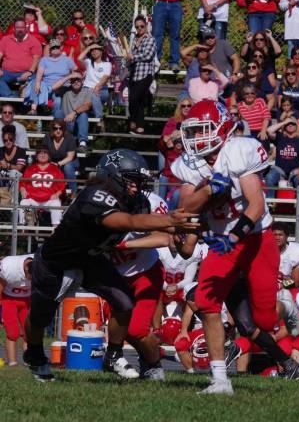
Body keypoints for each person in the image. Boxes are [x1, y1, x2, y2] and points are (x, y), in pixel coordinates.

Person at [23, 148, 199, 382]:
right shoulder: (94, 195)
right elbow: (127, 222)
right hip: (56, 262)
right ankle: (35, 355)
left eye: (139, 181)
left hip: (90, 260)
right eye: (132, 180)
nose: (137, 187)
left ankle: (113, 353)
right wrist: (169, 220)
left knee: (124, 302)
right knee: (40, 317)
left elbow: (158, 228)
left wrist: (188, 225)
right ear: (112, 175)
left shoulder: (138, 202)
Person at [172, 100, 299, 394]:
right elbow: (186, 205)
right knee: (205, 302)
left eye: (202, 130)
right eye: (193, 132)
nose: (196, 139)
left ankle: (288, 308)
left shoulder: (238, 149)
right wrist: (208, 190)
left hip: (255, 240)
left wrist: (233, 236)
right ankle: (220, 380)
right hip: (222, 244)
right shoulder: (189, 163)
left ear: (221, 126)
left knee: (264, 319)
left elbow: (255, 206)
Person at [107, 191, 171, 380]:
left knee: (136, 329)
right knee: (122, 330)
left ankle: (154, 365)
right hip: (114, 276)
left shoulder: (150, 201)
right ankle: (138, 358)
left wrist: (123, 245)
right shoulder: (94, 203)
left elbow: (164, 237)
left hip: (146, 271)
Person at [152, 238, 207, 332]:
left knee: (190, 291)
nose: (174, 239)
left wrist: (176, 286)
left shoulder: (192, 251)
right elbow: (156, 276)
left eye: (178, 237)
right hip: (163, 290)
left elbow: (188, 279)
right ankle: (156, 330)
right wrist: (166, 287)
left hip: (181, 292)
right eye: (171, 236)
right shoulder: (159, 251)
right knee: (154, 291)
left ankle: (189, 327)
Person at [25, 38, 77, 116]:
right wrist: (38, 83)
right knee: (35, 83)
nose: (55, 49)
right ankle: (33, 109)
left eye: (57, 47)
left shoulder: (67, 60)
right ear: (50, 50)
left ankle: (56, 120)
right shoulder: (44, 60)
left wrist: (72, 78)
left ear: (60, 48)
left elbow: (75, 70)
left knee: (57, 101)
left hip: (61, 87)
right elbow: (39, 73)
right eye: (53, 48)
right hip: (47, 86)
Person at [0, 254, 34, 366]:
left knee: (29, 332)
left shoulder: (42, 263)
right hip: (8, 299)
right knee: (12, 332)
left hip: (27, 300)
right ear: (26, 269)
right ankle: (12, 363)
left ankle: (29, 361)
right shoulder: (9, 268)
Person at [19, 147, 66, 227]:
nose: (43, 155)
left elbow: (62, 185)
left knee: (56, 204)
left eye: (45, 153)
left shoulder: (55, 169)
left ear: (49, 156)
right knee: (24, 202)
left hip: (49, 200)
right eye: (40, 153)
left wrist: (57, 194)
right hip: (33, 198)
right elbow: (22, 183)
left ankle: (56, 229)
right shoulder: (30, 168)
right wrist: (22, 190)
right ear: (36, 156)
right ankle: (24, 228)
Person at [158, 98, 191, 207]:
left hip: (184, 167)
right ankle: (160, 207)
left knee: (176, 194)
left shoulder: (195, 123)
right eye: (183, 106)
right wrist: (172, 136)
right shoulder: (173, 121)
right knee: (163, 178)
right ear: (179, 108)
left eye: (189, 106)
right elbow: (164, 140)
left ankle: (166, 209)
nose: (186, 108)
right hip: (171, 161)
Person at [265, 117, 299, 199]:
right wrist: (284, 122)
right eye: (288, 124)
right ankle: (269, 203)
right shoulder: (280, 136)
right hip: (279, 169)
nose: (290, 125)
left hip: (295, 170)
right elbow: (269, 130)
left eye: (293, 123)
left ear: (297, 126)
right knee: (269, 177)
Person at [127, 15, 156, 135]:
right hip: (134, 74)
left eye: (142, 26)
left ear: (146, 26)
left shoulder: (150, 39)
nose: (139, 28)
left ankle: (133, 120)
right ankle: (140, 126)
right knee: (138, 101)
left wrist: (133, 57)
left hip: (145, 74)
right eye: (137, 27)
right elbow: (128, 57)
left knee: (133, 98)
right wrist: (128, 59)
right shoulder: (133, 40)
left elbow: (147, 56)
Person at [0, 18, 42, 97]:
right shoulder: (5, 40)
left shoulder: (33, 40)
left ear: (26, 28)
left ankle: (27, 102)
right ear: (14, 28)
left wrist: (30, 71)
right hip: (7, 72)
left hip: (26, 73)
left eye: (22, 27)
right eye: (18, 27)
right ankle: (10, 97)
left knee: (35, 80)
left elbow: (37, 58)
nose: (20, 29)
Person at [149, 0, 188, 72]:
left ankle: (174, 62)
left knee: (175, 35)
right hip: (160, 4)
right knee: (157, 34)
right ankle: (156, 61)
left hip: (176, 4)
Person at [78, 43, 112, 131]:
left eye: (96, 49)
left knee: (94, 93)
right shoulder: (88, 62)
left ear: (101, 52)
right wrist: (89, 47)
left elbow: (105, 77)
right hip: (87, 89)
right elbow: (79, 58)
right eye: (92, 50)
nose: (94, 51)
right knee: (93, 95)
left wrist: (98, 86)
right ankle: (99, 119)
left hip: (102, 90)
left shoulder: (107, 64)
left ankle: (98, 119)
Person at [43, 119, 78, 198]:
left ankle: (73, 192)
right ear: (52, 129)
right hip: (53, 161)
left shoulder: (69, 138)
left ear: (64, 129)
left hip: (70, 161)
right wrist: (49, 162)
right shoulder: (47, 137)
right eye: (55, 128)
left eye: (60, 128)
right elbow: (44, 153)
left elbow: (70, 157)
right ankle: (45, 193)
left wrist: (58, 164)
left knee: (68, 167)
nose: (58, 130)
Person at [60, 73, 92, 153]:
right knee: (58, 112)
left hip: (78, 124)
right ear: (70, 81)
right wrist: (69, 76)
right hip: (66, 122)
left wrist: (74, 113)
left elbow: (87, 105)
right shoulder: (65, 90)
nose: (76, 82)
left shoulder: (87, 91)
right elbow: (53, 87)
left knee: (83, 115)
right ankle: (58, 141)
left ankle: (82, 144)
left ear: (82, 81)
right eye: (74, 80)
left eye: (78, 80)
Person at [272, 222, 299, 293]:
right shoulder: (264, 250)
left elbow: (296, 281)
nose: (277, 238)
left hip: (286, 291)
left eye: (280, 235)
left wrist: (280, 285)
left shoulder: (296, 251)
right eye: (275, 235)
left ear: (287, 236)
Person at [237, 84, 271, 150]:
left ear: (255, 94)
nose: (250, 95)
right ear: (243, 95)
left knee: (263, 143)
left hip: (260, 131)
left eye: (252, 93)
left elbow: (267, 116)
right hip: (246, 132)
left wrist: (263, 131)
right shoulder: (239, 106)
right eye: (247, 94)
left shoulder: (260, 101)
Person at [0, 125, 26, 205]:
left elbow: (19, 168)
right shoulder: (1, 150)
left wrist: (7, 165)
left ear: (14, 139)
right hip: (3, 178)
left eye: (10, 139)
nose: (8, 142)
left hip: (16, 177)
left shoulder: (21, 151)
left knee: (13, 173)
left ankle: (14, 202)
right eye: (5, 140)